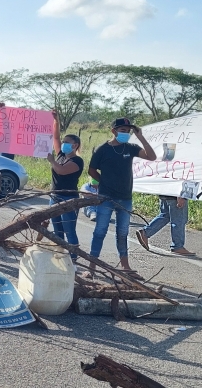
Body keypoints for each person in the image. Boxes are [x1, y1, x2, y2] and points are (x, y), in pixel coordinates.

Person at [87, 117, 157, 279]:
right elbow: (91, 170)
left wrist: (141, 137)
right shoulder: (102, 149)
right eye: (122, 130)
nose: (125, 133)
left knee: (122, 233)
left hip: (125, 198)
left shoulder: (131, 147)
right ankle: (91, 267)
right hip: (105, 197)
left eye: (127, 131)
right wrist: (103, 182)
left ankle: (125, 267)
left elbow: (151, 157)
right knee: (100, 231)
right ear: (114, 131)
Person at [46, 111, 83, 260]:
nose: (64, 144)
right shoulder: (61, 154)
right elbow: (55, 137)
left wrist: (52, 161)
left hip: (68, 199)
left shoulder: (77, 161)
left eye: (67, 142)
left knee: (70, 231)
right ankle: (60, 256)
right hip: (54, 197)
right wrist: (56, 121)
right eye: (64, 142)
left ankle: (73, 259)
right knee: (57, 231)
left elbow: (61, 171)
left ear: (75, 145)